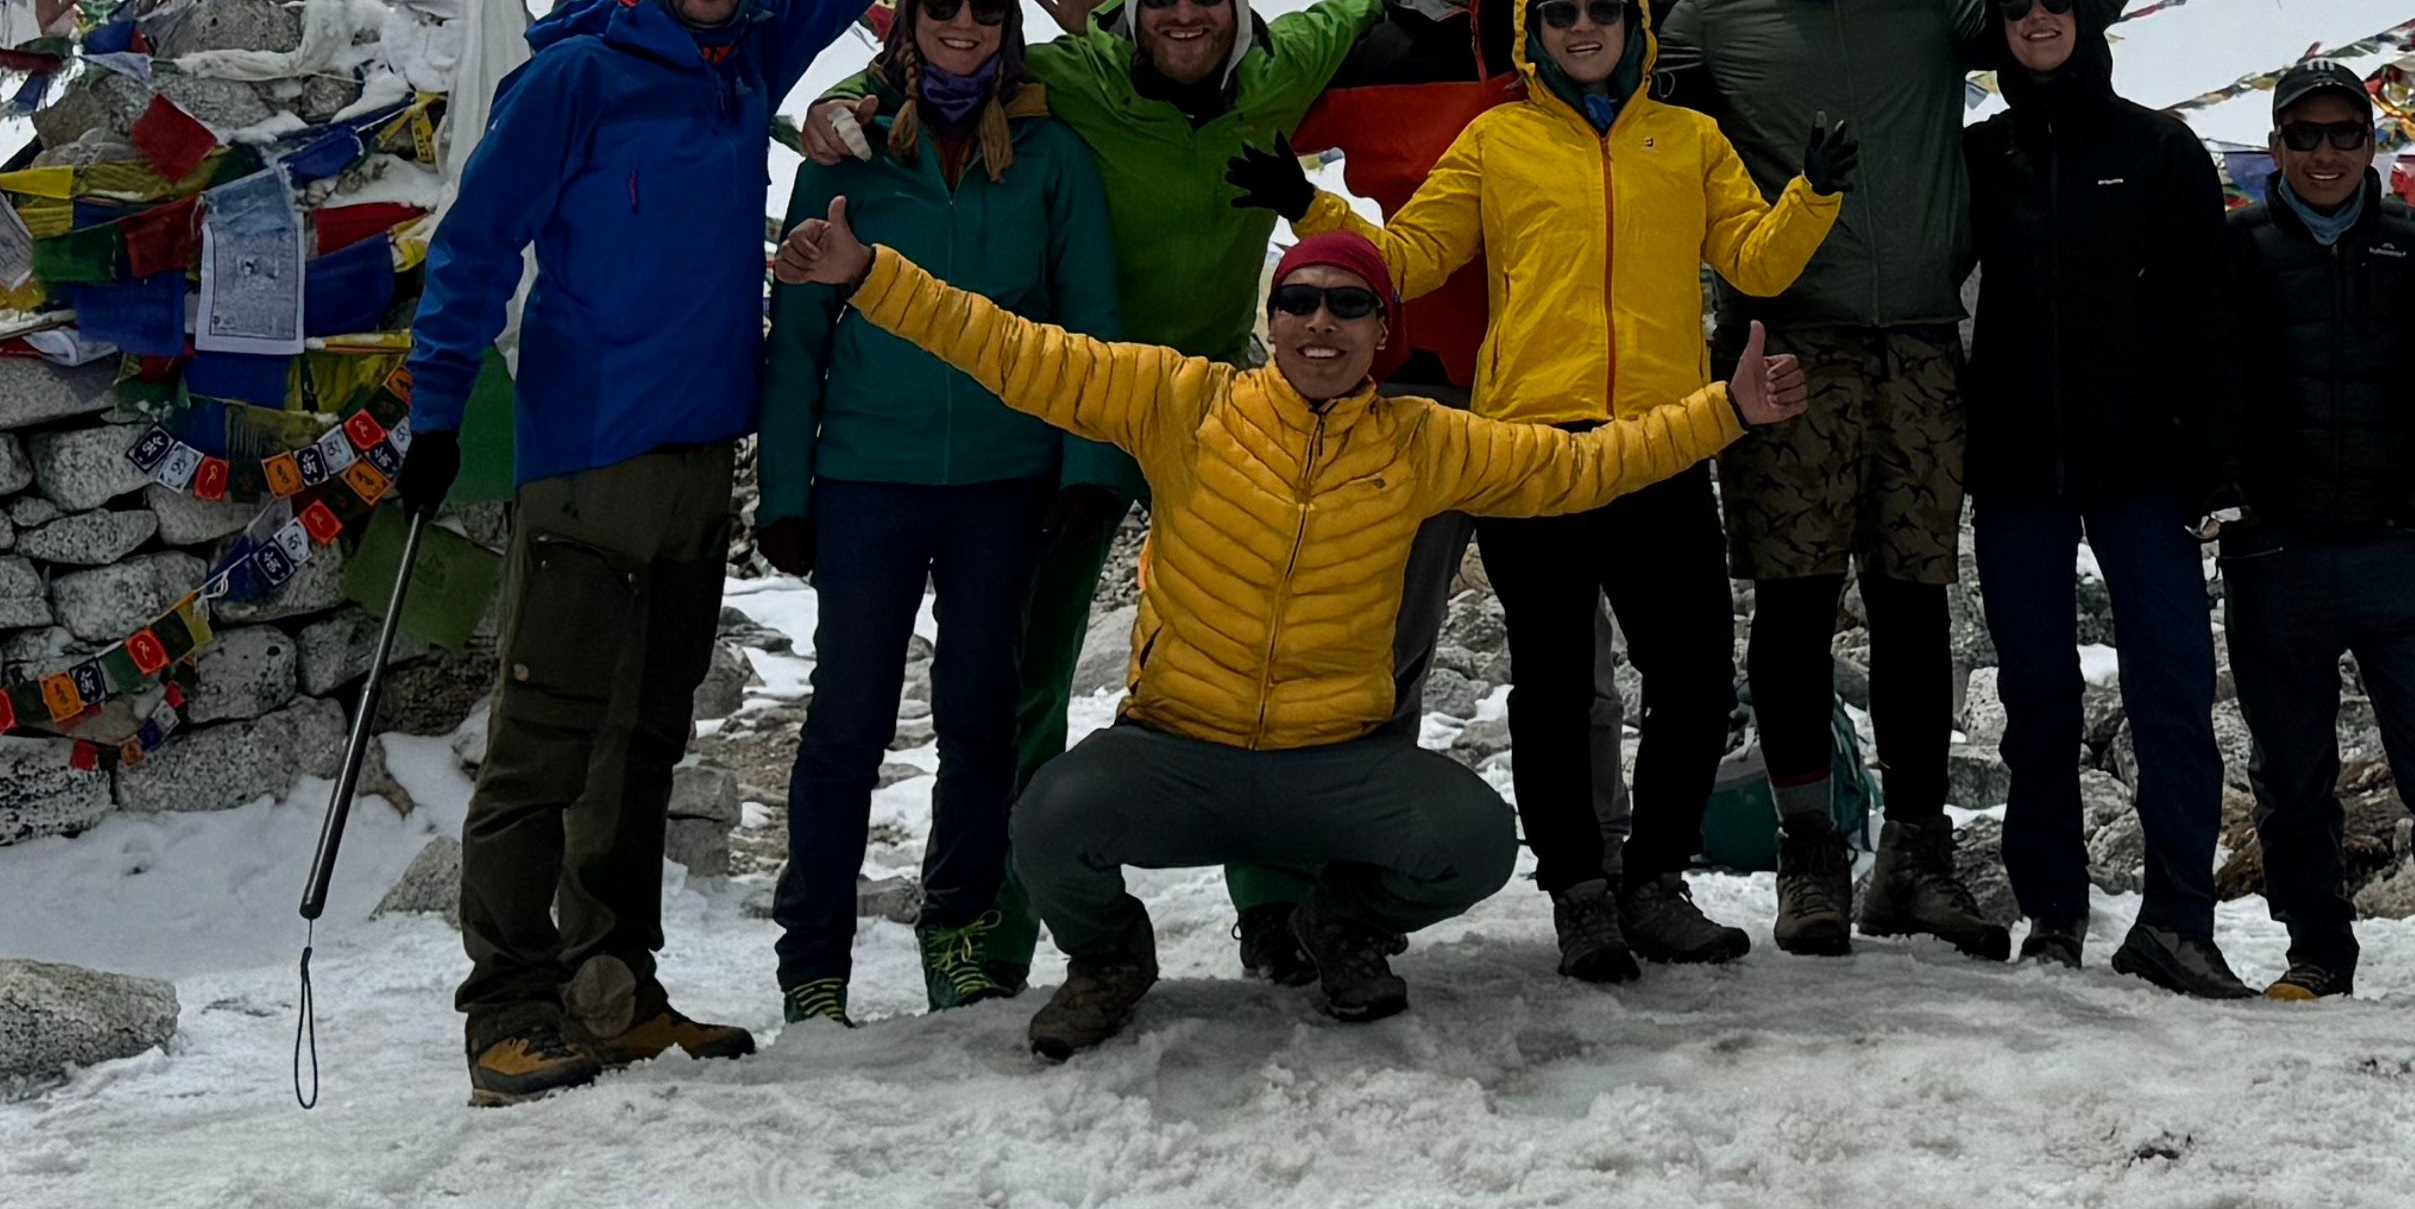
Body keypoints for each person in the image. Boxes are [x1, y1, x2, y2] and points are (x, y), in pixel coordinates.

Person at [771, 203, 1811, 1052]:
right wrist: (869, 276)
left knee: (1474, 839)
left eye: (1349, 306)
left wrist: (1725, 412)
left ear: (1381, 334)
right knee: (1047, 818)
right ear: (1273, 318)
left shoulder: (1424, 441)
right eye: (1301, 301)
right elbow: (1013, 350)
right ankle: (1112, 958)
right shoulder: (1181, 402)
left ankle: (1345, 923)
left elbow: (1581, 466)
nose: (1322, 323)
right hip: (1178, 752)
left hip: (1333, 766)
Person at [400, 0, 997, 1104]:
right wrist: (436, 416)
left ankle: (614, 989)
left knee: (644, 740)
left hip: (691, 464)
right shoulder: (577, 86)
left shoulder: (746, 71)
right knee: (546, 744)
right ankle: (506, 1009)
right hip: (584, 458)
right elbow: (476, 250)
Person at [1654, 0, 2189, 959]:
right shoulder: (1714, 4)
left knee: (1913, 602)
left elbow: (2052, 10)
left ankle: (1915, 854)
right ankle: (1809, 859)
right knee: (1793, 601)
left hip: (1920, 349)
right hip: (1781, 342)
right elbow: (1595, 71)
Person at [1362, 0, 1848, 980]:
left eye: (1603, 11)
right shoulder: (1497, 143)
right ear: (1534, 33)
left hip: (1659, 443)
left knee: (1692, 676)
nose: (1584, 29)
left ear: (1634, 25)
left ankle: (1654, 881)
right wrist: (1306, 210)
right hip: (1529, 449)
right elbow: (1409, 259)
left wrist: (1811, 192)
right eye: (1562, 14)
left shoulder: (1689, 139)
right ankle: (1580, 892)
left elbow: (1754, 258)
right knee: (1554, 685)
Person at [991, 0, 1384, 979]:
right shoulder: (1081, 75)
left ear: (1239, 0)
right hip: (1091, 408)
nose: (1186, 13)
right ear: (1132, 8)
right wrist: (844, 111)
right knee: (1036, 657)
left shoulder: (1278, 68)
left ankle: (1272, 905)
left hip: (1219, 408)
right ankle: (1020, 921)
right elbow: (933, 53)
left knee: (1247, 647)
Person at [752, 0, 1126, 1025]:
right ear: (909, 20)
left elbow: (1089, 324)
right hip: (869, 473)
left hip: (1005, 479)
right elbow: (798, 338)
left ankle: (961, 928)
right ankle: (812, 958)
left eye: (985, 10)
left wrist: (1087, 468)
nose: (963, 26)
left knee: (981, 712)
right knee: (848, 718)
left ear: (1009, 29)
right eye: (942, 6)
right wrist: (784, 493)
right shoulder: (851, 154)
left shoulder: (1053, 158)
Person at [1959, 0, 2249, 989]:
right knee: (2037, 692)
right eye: (2017, 3)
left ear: (2087, 14)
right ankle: (2053, 912)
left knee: (2171, 686)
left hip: (2146, 469)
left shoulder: (2160, 149)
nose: (2037, 15)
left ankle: (2178, 915)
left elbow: (2208, 312)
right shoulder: (1981, 159)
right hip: (2017, 470)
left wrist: (2219, 460)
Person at [2216, 57, 2415, 1015]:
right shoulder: (2233, 250)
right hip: (2277, 554)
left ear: (2370, 145)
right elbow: (2201, 383)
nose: (2323, 153)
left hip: (2395, 549)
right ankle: (2317, 954)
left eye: (2343, 134)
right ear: (2274, 150)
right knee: (2294, 774)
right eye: (2303, 136)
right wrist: (2233, 495)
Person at [1298, 0, 1516, 405]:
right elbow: (1247, 100)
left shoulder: (1557, 10)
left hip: (1563, 348)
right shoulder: (1369, 57)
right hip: (1432, 361)